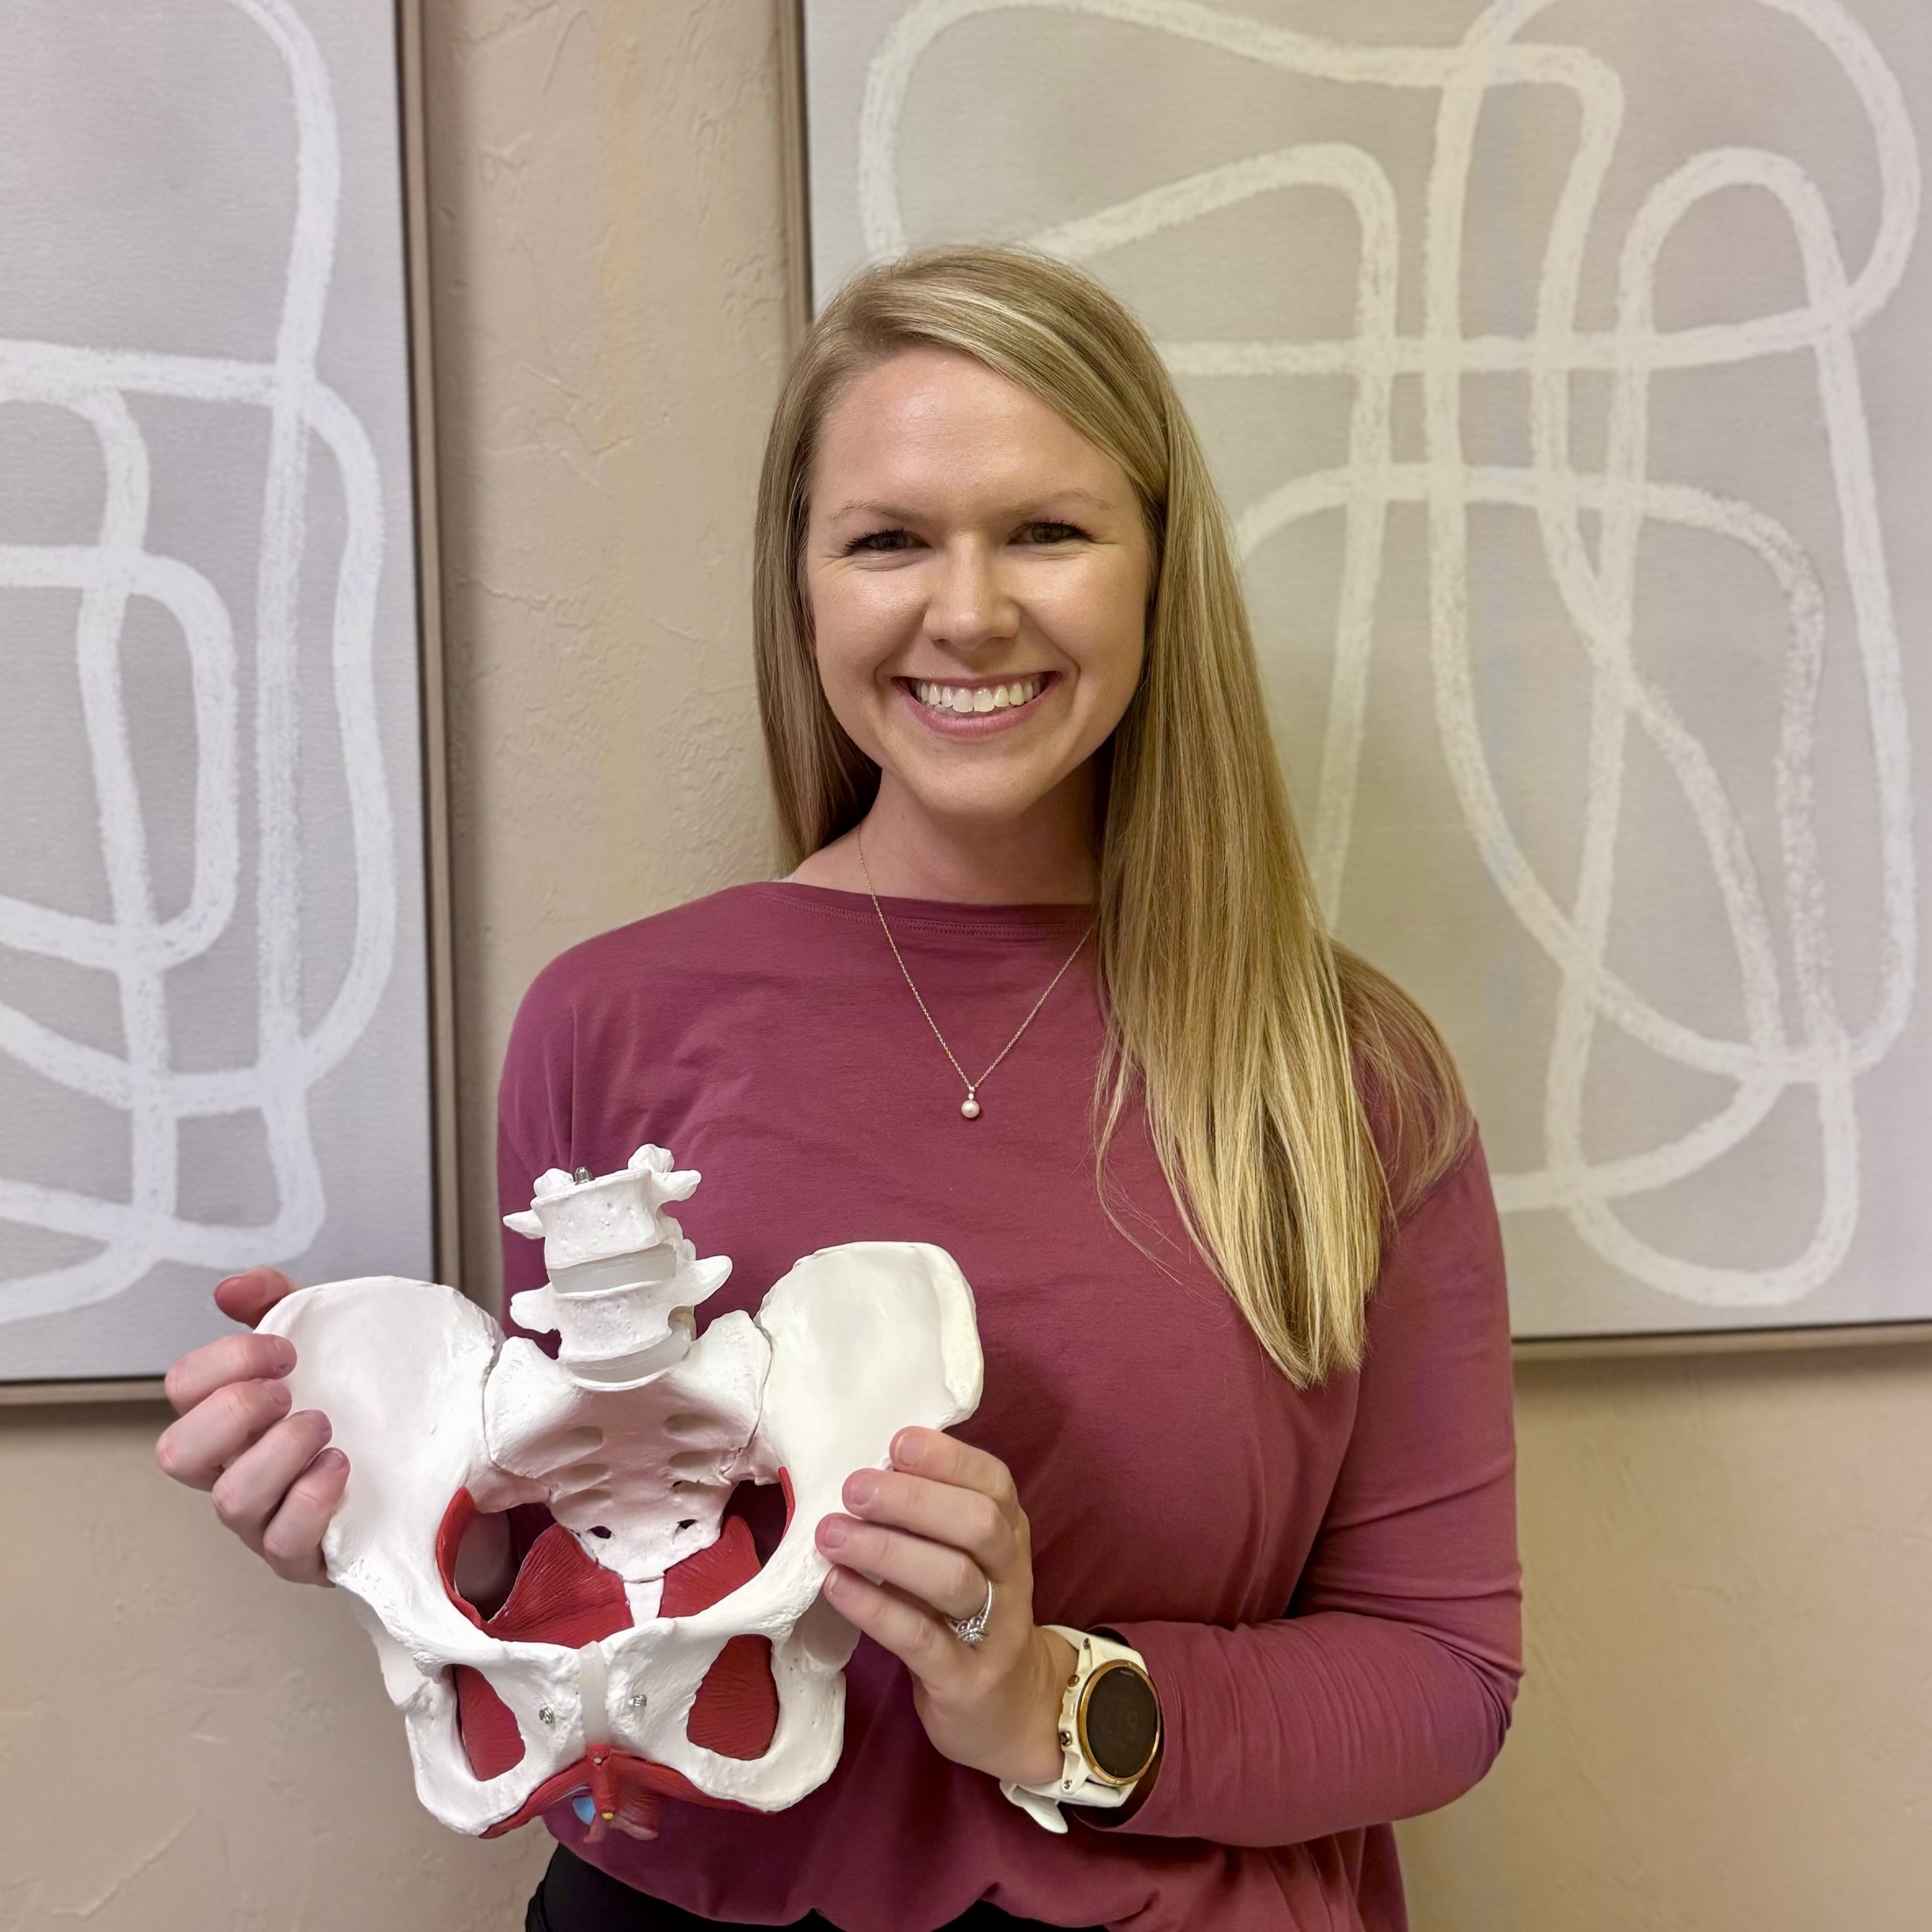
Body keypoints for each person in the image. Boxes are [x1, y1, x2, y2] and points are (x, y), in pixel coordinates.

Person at [155, 246, 1521, 1932]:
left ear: (1157, 571)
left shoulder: (1345, 1074)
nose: (966, 610)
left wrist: (1041, 1694)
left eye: (1046, 529)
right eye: (887, 538)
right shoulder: (611, 1017)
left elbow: (1441, 1671)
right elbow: (586, 1571)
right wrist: (390, 1507)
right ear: (802, 588)